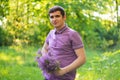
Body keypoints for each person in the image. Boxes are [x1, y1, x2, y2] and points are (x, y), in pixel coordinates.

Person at [41, 5, 86, 80]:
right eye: (52, 17)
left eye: (57, 16)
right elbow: (44, 49)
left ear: (64, 17)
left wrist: (63, 71)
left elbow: (82, 58)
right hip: (49, 77)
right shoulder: (51, 33)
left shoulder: (73, 34)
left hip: (65, 78)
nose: (54, 19)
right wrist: (47, 62)